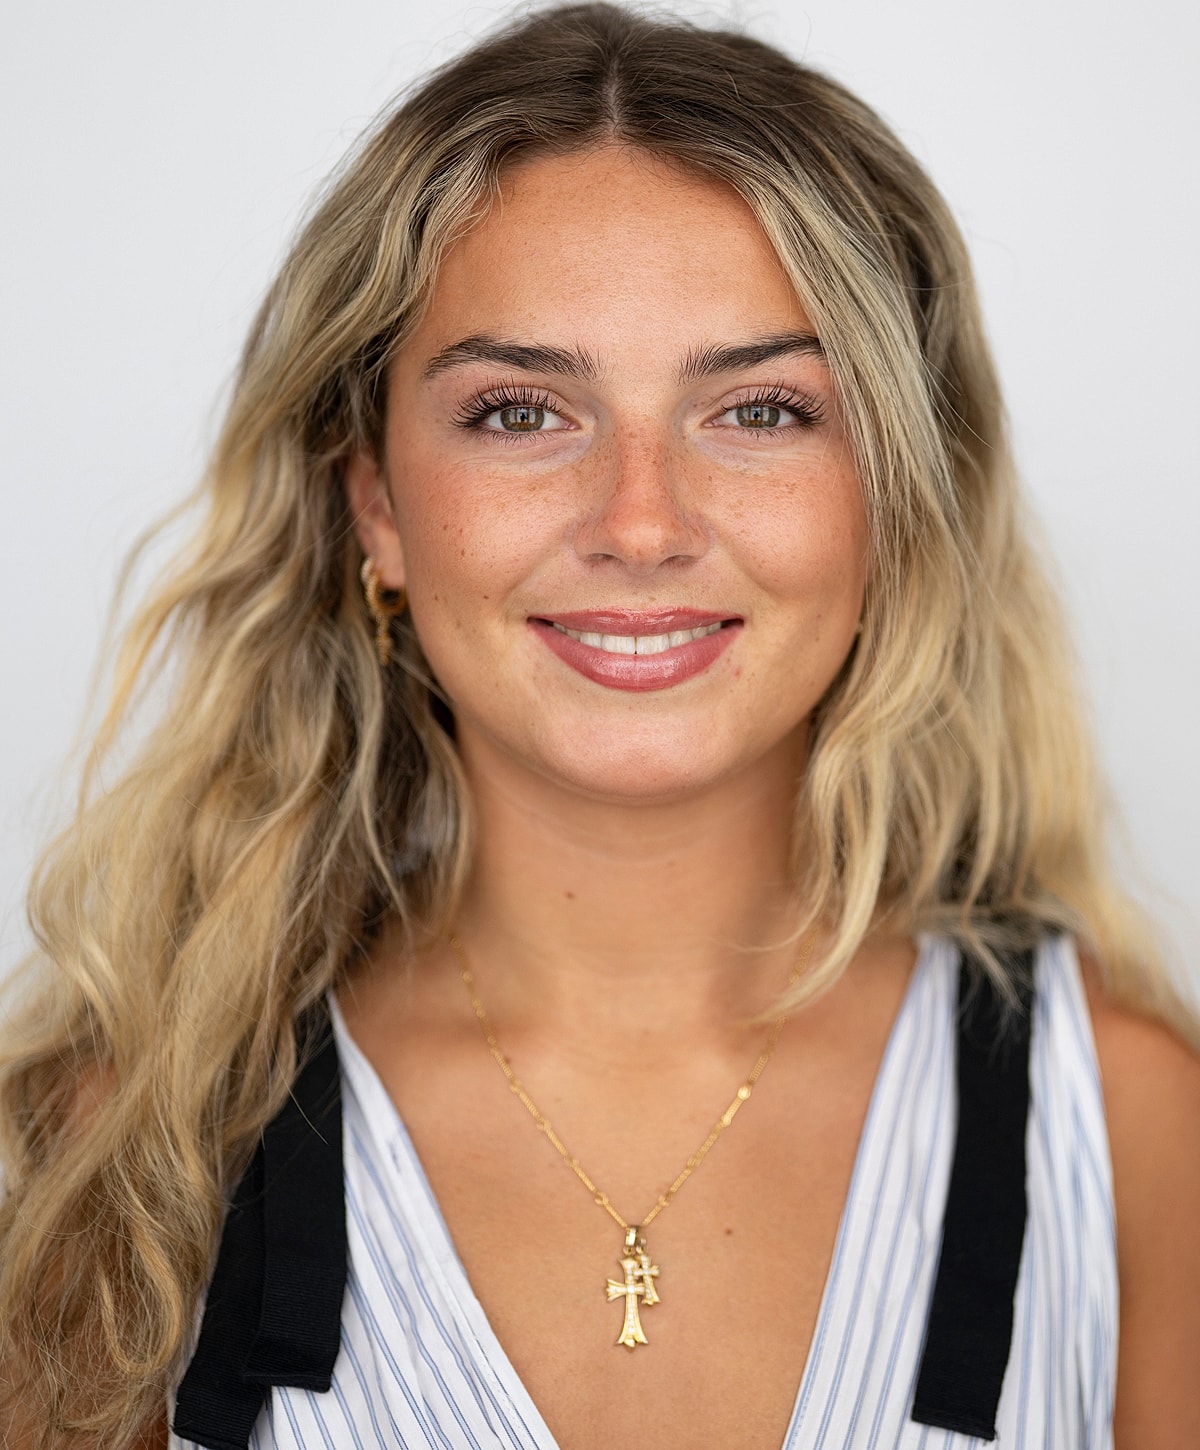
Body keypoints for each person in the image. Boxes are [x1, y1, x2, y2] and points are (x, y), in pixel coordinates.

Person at [2, 4, 1198, 1446]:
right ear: (374, 505)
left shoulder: (1135, 1135)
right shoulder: (108, 1168)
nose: (642, 523)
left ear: (895, 495)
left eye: (760, 410)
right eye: (520, 412)